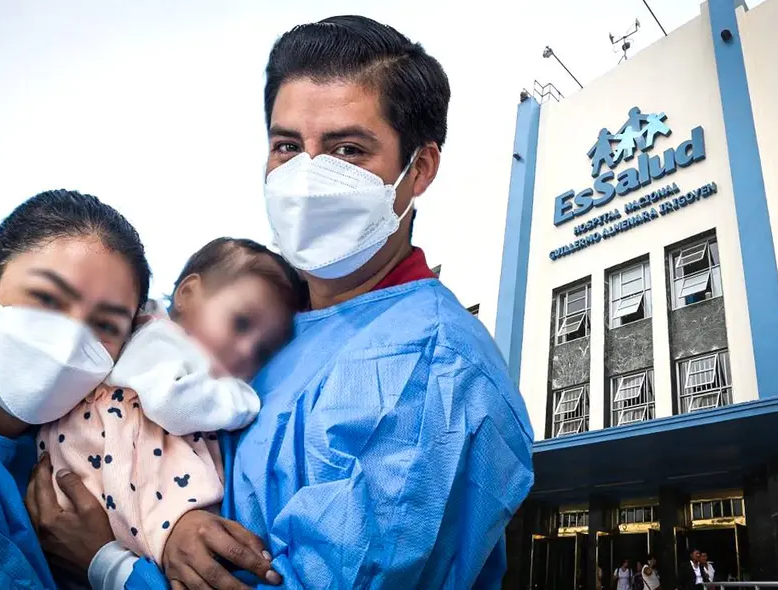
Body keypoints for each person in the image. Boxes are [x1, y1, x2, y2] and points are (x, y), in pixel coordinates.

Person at [29, 14, 535, 590]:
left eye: (347, 149)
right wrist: (175, 529)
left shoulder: (432, 372)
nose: (309, 175)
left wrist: (108, 565)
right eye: (288, 146)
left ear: (418, 169)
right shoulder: (264, 325)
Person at [0, 189, 152, 588]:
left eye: (105, 326)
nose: (70, 341)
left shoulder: (87, 457)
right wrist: (112, 568)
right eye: (47, 298)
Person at [35, 238, 306, 566]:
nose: (247, 351)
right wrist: (244, 400)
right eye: (240, 323)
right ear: (188, 295)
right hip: (97, 484)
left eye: (264, 351)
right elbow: (171, 404)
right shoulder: (156, 339)